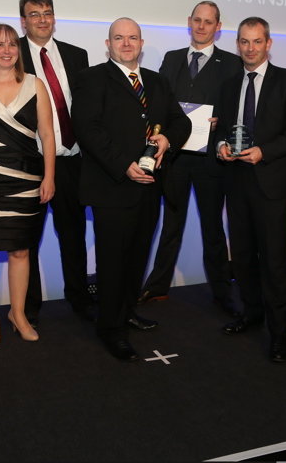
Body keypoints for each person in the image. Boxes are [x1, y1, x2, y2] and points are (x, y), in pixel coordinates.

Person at [71, 18, 191, 362]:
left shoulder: (157, 81)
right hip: (113, 187)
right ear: (107, 44)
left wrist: (169, 137)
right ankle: (111, 329)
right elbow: (88, 130)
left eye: (132, 38)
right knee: (112, 263)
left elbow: (179, 121)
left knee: (138, 258)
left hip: (150, 188)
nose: (126, 43)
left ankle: (126, 312)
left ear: (141, 42)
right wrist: (125, 165)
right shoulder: (91, 79)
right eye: (119, 38)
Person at [215, 17, 286, 363]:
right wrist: (221, 147)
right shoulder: (228, 86)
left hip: (271, 184)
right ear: (237, 44)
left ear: (268, 43)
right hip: (236, 184)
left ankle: (279, 333)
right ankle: (251, 313)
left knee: (273, 263)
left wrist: (264, 151)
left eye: (257, 42)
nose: (250, 48)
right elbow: (220, 131)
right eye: (244, 42)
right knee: (241, 257)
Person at [139, 1, 243, 316]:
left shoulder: (232, 63)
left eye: (208, 22)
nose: (201, 26)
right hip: (174, 159)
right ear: (189, 22)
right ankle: (157, 287)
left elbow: (240, 107)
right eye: (197, 20)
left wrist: (221, 119)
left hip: (211, 160)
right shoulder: (171, 60)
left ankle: (223, 292)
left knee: (213, 229)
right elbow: (158, 105)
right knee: (170, 225)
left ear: (218, 27)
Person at [0, 24, 56, 345]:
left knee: (21, 251)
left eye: (12, 45)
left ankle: (17, 314)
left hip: (27, 183)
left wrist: (49, 177)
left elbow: (47, 135)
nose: (6, 51)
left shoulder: (36, 85)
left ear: (19, 50)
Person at [18, 0, 94, 325]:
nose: (42, 19)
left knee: (74, 234)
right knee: (28, 239)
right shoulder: (10, 54)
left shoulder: (78, 56)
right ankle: (29, 307)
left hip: (72, 161)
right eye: (34, 14)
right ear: (23, 22)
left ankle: (79, 299)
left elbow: (88, 110)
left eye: (47, 12)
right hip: (31, 162)